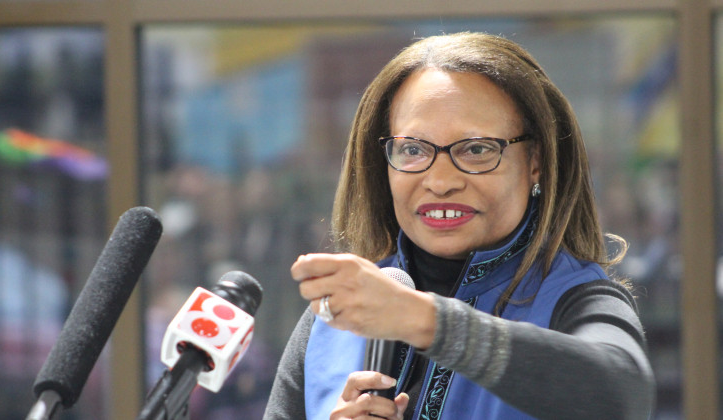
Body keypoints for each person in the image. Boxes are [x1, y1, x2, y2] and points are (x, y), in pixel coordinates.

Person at [263, 32, 655, 420]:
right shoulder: (335, 316)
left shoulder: (576, 297)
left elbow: (623, 397)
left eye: (477, 149)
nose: (440, 181)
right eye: (413, 150)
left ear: (535, 162)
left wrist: (424, 320)